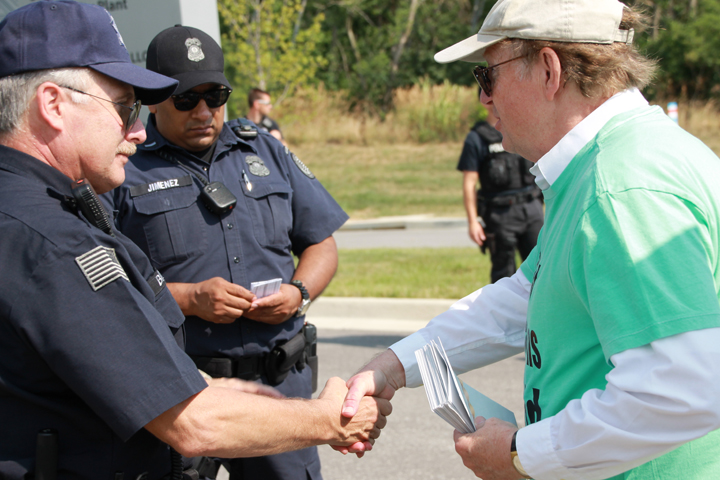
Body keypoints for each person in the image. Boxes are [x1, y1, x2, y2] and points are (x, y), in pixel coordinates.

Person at [0, 3, 389, 480]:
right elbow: (192, 424)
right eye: (125, 109)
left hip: (248, 379)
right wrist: (332, 418)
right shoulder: (52, 240)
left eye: (216, 95)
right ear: (53, 104)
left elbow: (319, 240)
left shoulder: (31, 208)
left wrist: (293, 302)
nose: (137, 130)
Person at [337, 0, 720, 479]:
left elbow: (678, 392)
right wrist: (396, 363)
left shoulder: (619, 187)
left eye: (487, 75)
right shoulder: (614, 160)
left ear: (548, 69)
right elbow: (531, 294)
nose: (485, 98)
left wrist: (521, 453)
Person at [103, 25, 349, 480]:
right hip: (181, 390)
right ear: (153, 97)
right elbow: (103, 280)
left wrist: (300, 293)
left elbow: (322, 241)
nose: (204, 111)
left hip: (276, 384)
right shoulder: (122, 166)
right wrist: (188, 297)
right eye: (186, 99)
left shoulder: (264, 150)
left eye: (215, 96)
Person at [458, 91, 543, 283]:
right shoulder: (476, 138)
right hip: (500, 214)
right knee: (504, 274)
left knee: (543, 268)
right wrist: (473, 221)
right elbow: (469, 183)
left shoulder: (523, 128)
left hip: (532, 208)